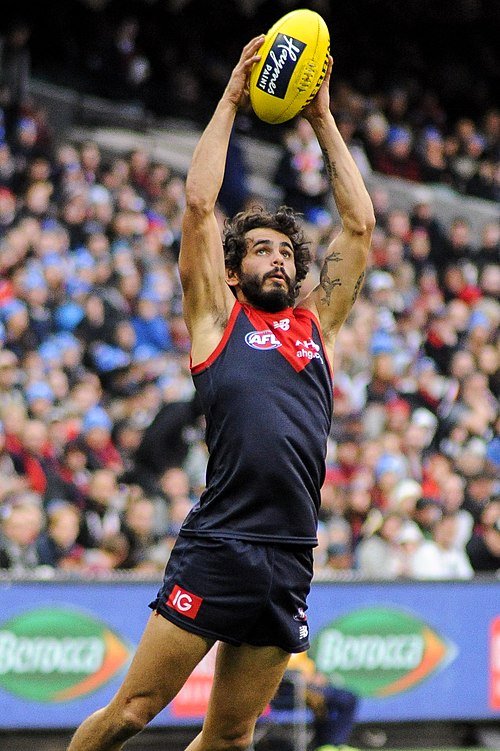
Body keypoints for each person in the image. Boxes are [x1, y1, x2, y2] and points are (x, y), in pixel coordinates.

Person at [66, 33, 374, 751]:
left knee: (231, 737)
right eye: (261, 249)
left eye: (286, 251)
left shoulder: (316, 327)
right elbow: (200, 207)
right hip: (222, 543)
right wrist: (234, 96)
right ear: (234, 272)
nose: (278, 257)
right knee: (131, 712)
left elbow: (358, 225)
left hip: (292, 553)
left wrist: (323, 119)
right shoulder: (215, 320)